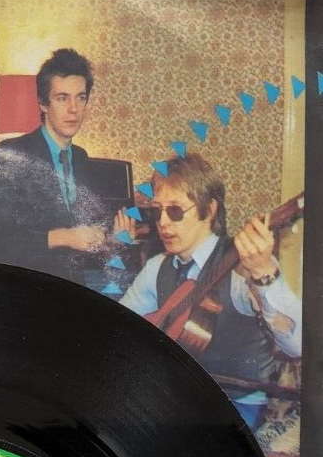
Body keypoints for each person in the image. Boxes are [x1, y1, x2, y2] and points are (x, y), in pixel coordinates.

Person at [120, 153, 301, 429]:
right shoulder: (158, 267)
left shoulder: (244, 266)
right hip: (179, 399)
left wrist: (265, 273)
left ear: (210, 209)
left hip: (236, 407)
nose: (163, 222)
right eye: (157, 211)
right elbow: (120, 327)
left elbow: (297, 344)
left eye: (175, 211)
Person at [0, 47, 130, 285]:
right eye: (62, 98)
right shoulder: (11, 154)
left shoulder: (81, 158)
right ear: (43, 103)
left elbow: (85, 243)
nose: (73, 109)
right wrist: (64, 237)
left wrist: (112, 241)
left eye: (81, 97)